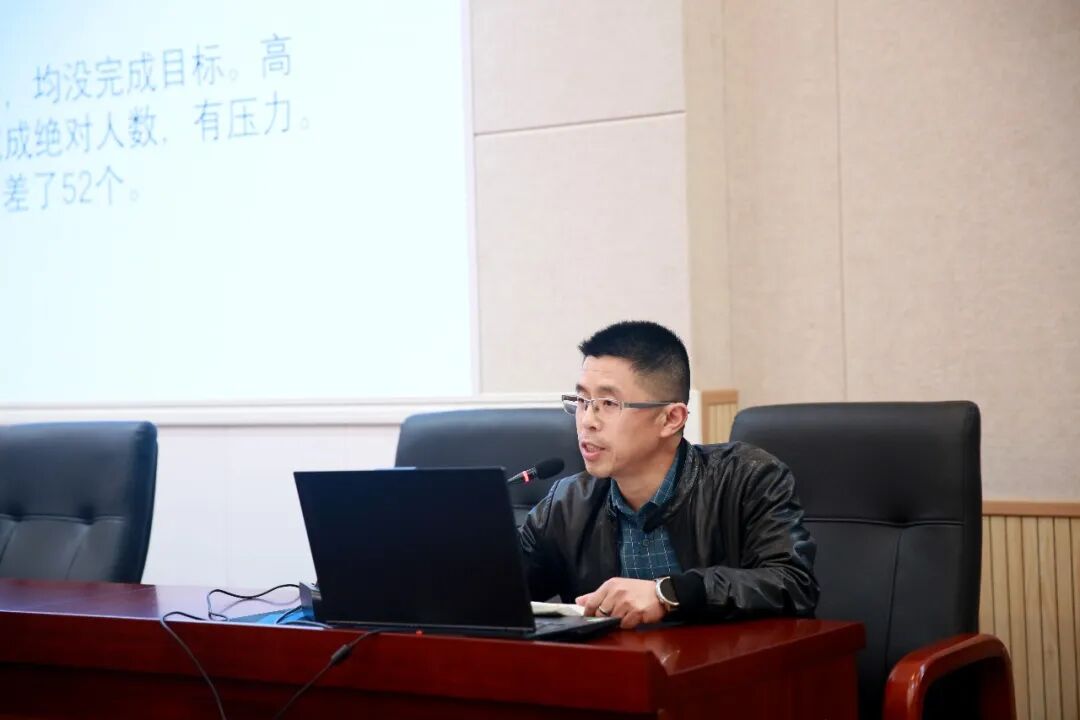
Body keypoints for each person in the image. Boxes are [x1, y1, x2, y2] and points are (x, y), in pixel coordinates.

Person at [519, 320, 819, 629]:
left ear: (670, 418)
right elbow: (506, 590)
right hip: (616, 660)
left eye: (608, 403)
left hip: (719, 658)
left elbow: (793, 585)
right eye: (582, 401)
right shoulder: (567, 504)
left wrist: (670, 594)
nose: (587, 421)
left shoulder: (746, 479)